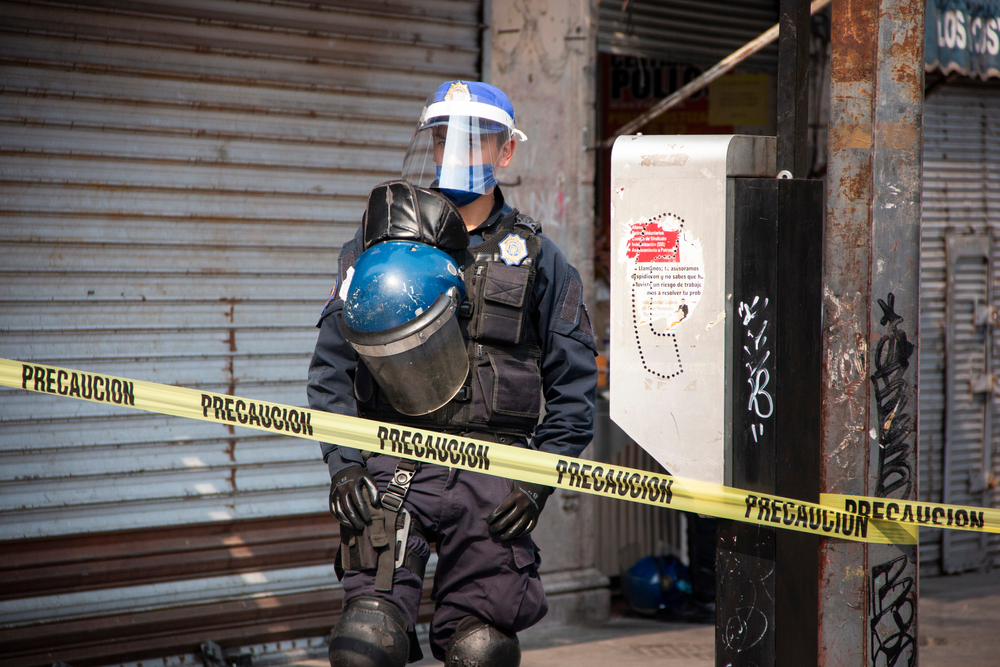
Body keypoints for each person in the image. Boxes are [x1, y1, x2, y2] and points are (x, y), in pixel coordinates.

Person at [307, 80, 598, 667]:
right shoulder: (376, 247)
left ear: (506, 152)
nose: (460, 153)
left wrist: (537, 480)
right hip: (394, 465)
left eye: (478, 139)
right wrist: (344, 466)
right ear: (431, 146)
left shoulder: (540, 260)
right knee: (366, 645)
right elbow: (332, 370)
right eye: (446, 139)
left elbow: (574, 392)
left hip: (493, 477)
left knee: (482, 651)